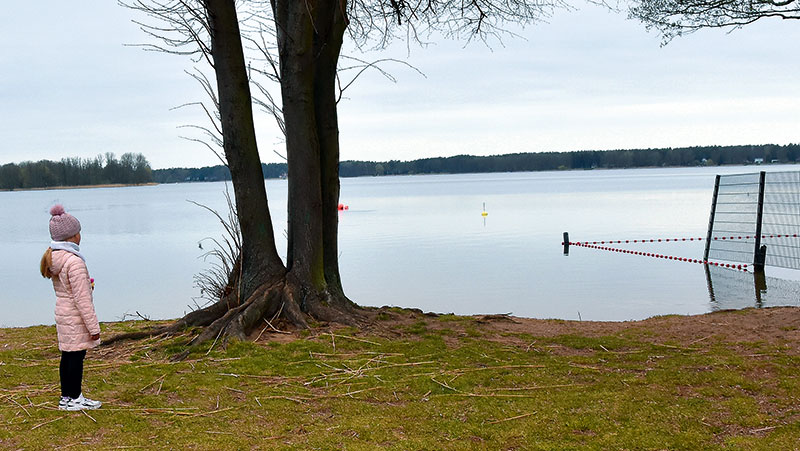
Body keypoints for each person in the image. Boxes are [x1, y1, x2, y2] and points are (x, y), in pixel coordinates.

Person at [40, 204, 102, 411]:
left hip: (63, 312)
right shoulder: (74, 262)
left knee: (67, 355)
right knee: (76, 356)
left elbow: (68, 289)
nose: (80, 236)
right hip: (75, 316)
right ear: (72, 236)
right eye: (78, 232)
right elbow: (82, 300)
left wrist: (85, 284)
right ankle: (75, 398)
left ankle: (66, 397)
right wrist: (94, 329)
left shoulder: (56, 258)